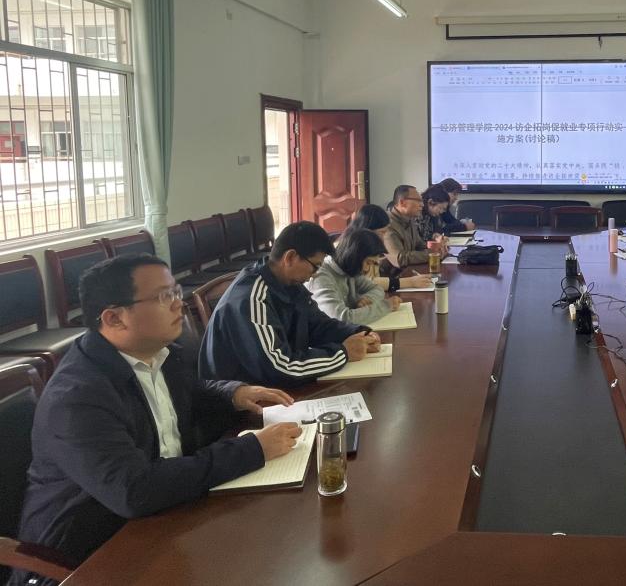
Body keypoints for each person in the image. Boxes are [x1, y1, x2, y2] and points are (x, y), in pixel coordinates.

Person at [11, 255, 300, 585]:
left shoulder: (158, 355)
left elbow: (190, 393)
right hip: (83, 559)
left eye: (175, 291)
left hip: (161, 520)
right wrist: (252, 449)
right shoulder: (77, 397)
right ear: (114, 318)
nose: (179, 303)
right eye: (164, 296)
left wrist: (234, 394)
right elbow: (135, 491)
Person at [199, 221, 381, 387]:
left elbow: (318, 325)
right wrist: (343, 353)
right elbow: (280, 367)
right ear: (290, 257)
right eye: (315, 266)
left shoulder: (289, 284)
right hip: (241, 400)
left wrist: (358, 332)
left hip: (275, 389)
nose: (316, 274)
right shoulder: (252, 298)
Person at [308, 229, 401, 324]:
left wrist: (366, 299)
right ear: (354, 256)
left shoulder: (350, 270)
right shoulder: (321, 276)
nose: (367, 269)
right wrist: (386, 306)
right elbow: (342, 319)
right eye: (368, 262)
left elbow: (377, 289)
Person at [346, 204, 432, 292]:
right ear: (368, 229)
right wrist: (409, 282)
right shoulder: (349, 249)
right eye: (382, 232)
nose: (383, 238)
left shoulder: (371, 248)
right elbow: (363, 283)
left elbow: (374, 284)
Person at [385, 184, 447, 266]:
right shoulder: (386, 224)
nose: (422, 205)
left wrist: (439, 248)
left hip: (410, 269)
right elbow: (399, 258)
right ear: (402, 202)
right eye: (418, 200)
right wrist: (433, 254)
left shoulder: (410, 219)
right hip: (394, 273)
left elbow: (420, 245)